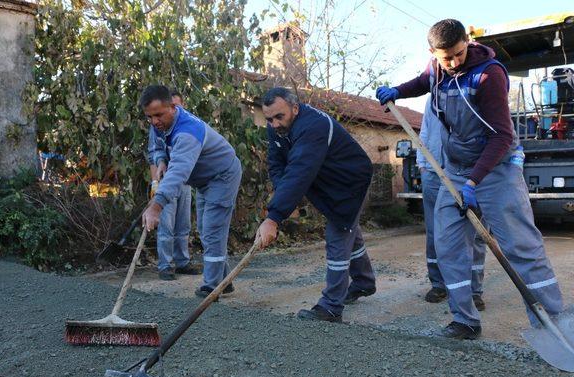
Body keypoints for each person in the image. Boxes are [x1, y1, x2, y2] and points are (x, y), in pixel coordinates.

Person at [376, 19, 563, 339]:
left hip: (495, 171)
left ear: (467, 42)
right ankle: (465, 319)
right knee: (447, 245)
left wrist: (474, 182)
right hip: (457, 172)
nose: (452, 63)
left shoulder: (489, 75)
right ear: (432, 53)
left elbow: (503, 137)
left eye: (458, 54)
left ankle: (554, 323)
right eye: (444, 57)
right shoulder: (436, 68)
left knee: (522, 247)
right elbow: (424, 81)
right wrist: (399, 91)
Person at [255, 87, 376, 323]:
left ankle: (331, 306)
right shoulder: (276, 128)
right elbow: (277, 165)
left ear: (295, 108)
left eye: (279, 117)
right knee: (349, 228)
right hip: (324, 179)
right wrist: (284, 198)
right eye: (269, 119)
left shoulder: (313, 127)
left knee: (339, 231)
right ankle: (364, 282)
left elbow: (299, 171)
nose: (274, 124)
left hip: (349, 181)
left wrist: (274, 216)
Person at [141, 85, 241, 297]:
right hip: (204, 180)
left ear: (173, 107)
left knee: (212, 229)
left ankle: (212, 287)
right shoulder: (159, 123)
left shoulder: (188, 131)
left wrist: (156, 206)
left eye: (158, 115)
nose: (154, 121)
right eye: (149, 117)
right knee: (206, 228)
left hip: (222, 176)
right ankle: (225, 280)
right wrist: (160, 161)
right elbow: (158, 146)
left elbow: (178, 172)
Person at [418, 96, 487, 310]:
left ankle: (473, 291)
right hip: (433, 171)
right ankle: (439, 284)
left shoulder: (475, 93)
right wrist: (422, 165)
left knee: (475, 233)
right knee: (435, 232)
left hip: (467, 173)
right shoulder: (433, 97)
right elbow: (425, 130)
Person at [146, 91, 200, 281]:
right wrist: (155, 181)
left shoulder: (187, 127)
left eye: (179, 106)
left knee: (183, 224)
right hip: (166, 182)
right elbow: (154, 152)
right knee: (166, 225)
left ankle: (182, 262)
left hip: (185, 182)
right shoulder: (157, 127)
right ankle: (165, 266)